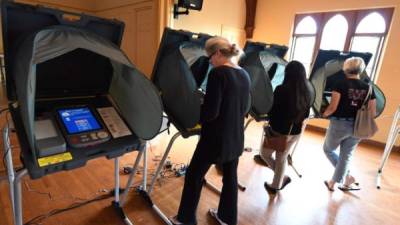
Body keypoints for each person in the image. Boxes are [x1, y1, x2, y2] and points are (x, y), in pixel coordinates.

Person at [170, 37, 251, 225]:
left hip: (215, 139)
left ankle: (185, 219)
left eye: (210, 56)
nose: (209, 61)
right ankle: (226, 218)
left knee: (194, 176)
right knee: (230, 178)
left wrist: (196, 110)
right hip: (236, 138)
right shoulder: (244, 74)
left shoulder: (218, 74)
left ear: (219, 53)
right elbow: (243, 107)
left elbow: (211, 113)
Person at [253, 60, 311, 194]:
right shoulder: (307, 91)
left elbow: (273, 111)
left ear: (287, 73)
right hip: (296, 132)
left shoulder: (281, 89)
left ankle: (279, 179)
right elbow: (306, 113)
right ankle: (276, 184)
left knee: (264, 154)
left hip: (279, 131)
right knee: (281, 158)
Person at [322, 57, 376, 191]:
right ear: (361, 69)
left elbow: (333, 107)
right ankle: (338, 181)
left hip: (339, 124)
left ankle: (344, 178)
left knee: (328, 149)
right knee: (346, 156)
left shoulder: (340, 84)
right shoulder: (369, 88)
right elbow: (372, 112)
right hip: (358, 126)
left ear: (345, 68)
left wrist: (323, 114)